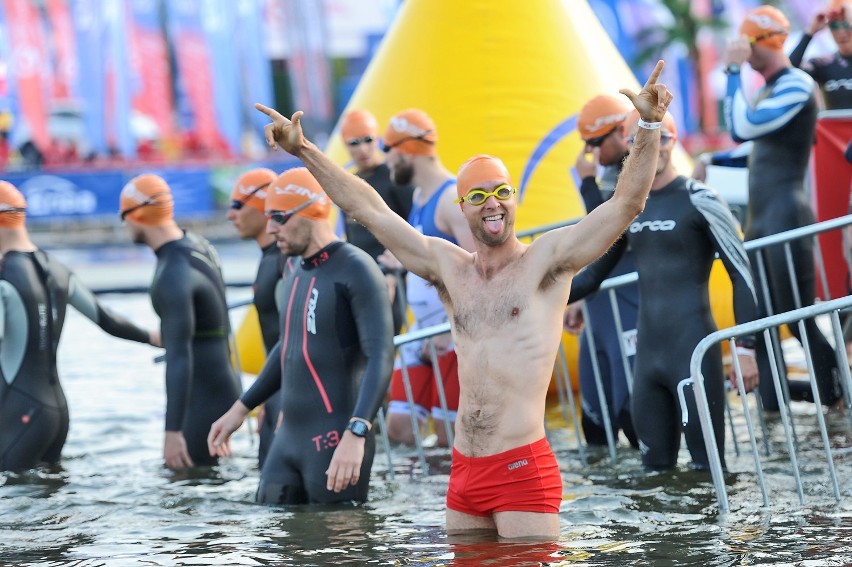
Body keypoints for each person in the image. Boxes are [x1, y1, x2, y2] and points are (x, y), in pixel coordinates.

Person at [253, 60, 672, 541]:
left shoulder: (547, 261)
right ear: (462, 207)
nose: (492, 202)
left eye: (501, 192)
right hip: (464, 473)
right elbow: (366, 208)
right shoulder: (448, 268)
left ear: (515, 199)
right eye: (478, 195)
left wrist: (649, 124)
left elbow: (626, 204)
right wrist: (304, 149)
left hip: (521, 467)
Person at [568, 111, 760, 472]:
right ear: (630, 150)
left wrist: (746, 349)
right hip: (648, 361)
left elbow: (741, 274)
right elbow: (594, 275)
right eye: (640, 142)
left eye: (661, 140)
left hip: (693, 354)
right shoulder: (627, 209)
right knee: (654, 476)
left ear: (673, 142)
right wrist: (534, 293)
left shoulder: (700, 198)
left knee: (708, 471)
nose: (653, 149)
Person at [208, 167, 395, 505]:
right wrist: (240, 408)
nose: (271, 228)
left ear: (312, 210)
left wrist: (357, 433)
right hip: (288, 440)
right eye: (268, 217)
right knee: (272, 543)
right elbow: (289, 346)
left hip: (337, 439)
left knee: (340, 552)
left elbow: (381, 355)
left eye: (278, 217)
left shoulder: (356, 268)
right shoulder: (295, 267)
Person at [723, 4, 842, 409]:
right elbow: (758, 148)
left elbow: (742, 127)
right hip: (761, 220)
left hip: (786, 217)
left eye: (745, 43)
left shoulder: (796, 83)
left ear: (760, 43)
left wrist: (732, 72)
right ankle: (774, 415)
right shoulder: (773, 86)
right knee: (765, 322)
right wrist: (714, 161)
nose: (739, 51)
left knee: (796, 319)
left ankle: (839, 401)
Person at [0, 181, 160, 472]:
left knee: (15, 511)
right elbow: (107, 319)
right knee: (53, 507)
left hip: (17, 409)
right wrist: (153, 337)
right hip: (57, 414)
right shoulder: (56, 267)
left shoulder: (3, 275)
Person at [119, 173, 242, 470]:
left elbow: (179, 356)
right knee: (214, 491)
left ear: (138, 216)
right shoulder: (197, 244)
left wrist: (172, 432)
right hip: (223, 382)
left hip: (202, 397)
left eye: (124, 216)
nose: (124, 225)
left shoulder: (172, 274)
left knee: (189, 486)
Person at [379, 108, 475, 448]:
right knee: (399, 427)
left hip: (451, 331)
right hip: (422, 329)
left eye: (385, 150)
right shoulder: (420, 197)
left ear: (405, 150)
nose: (384, 160)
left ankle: (454, 497)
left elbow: (481, 269)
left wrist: (454, 329)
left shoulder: (450, 199)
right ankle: (423, 499)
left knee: (448, 432)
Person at [565, 94, 639, 449]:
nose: (590, 153)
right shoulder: (608, 176)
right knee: (595, 425)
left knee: (634, 416)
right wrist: (579, 298)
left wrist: (587, 185)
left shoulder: (643, 171)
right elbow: (597, 244)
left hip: (631, 307)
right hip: (601, 308)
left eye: (594, 143)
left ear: (619, 133)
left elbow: (615, 228)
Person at [227, 168, 295, 468]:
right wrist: (265, 397)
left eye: (237, 205)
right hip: (276, 392)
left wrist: (286, 401)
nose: (231, 215)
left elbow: (296, 337)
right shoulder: (270, 259)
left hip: (291, 394)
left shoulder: (286, 259)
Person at [339, 109, 414, 334]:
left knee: (386, 341)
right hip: (360, 278)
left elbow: (415, 226)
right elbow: (353, 237)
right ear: (345, 145)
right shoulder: (348, 182)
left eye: (368, 140)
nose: (362, 149)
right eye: (354, 142)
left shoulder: (393, 175)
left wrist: (393, 272)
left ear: (377, 139)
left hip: (392, 276)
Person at [789, 0, 852, 111]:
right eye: (834, 25)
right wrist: (810, 32)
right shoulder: (824, 63)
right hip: (834, 128)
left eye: (846, 24)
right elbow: (789, 71)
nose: (841, 32)